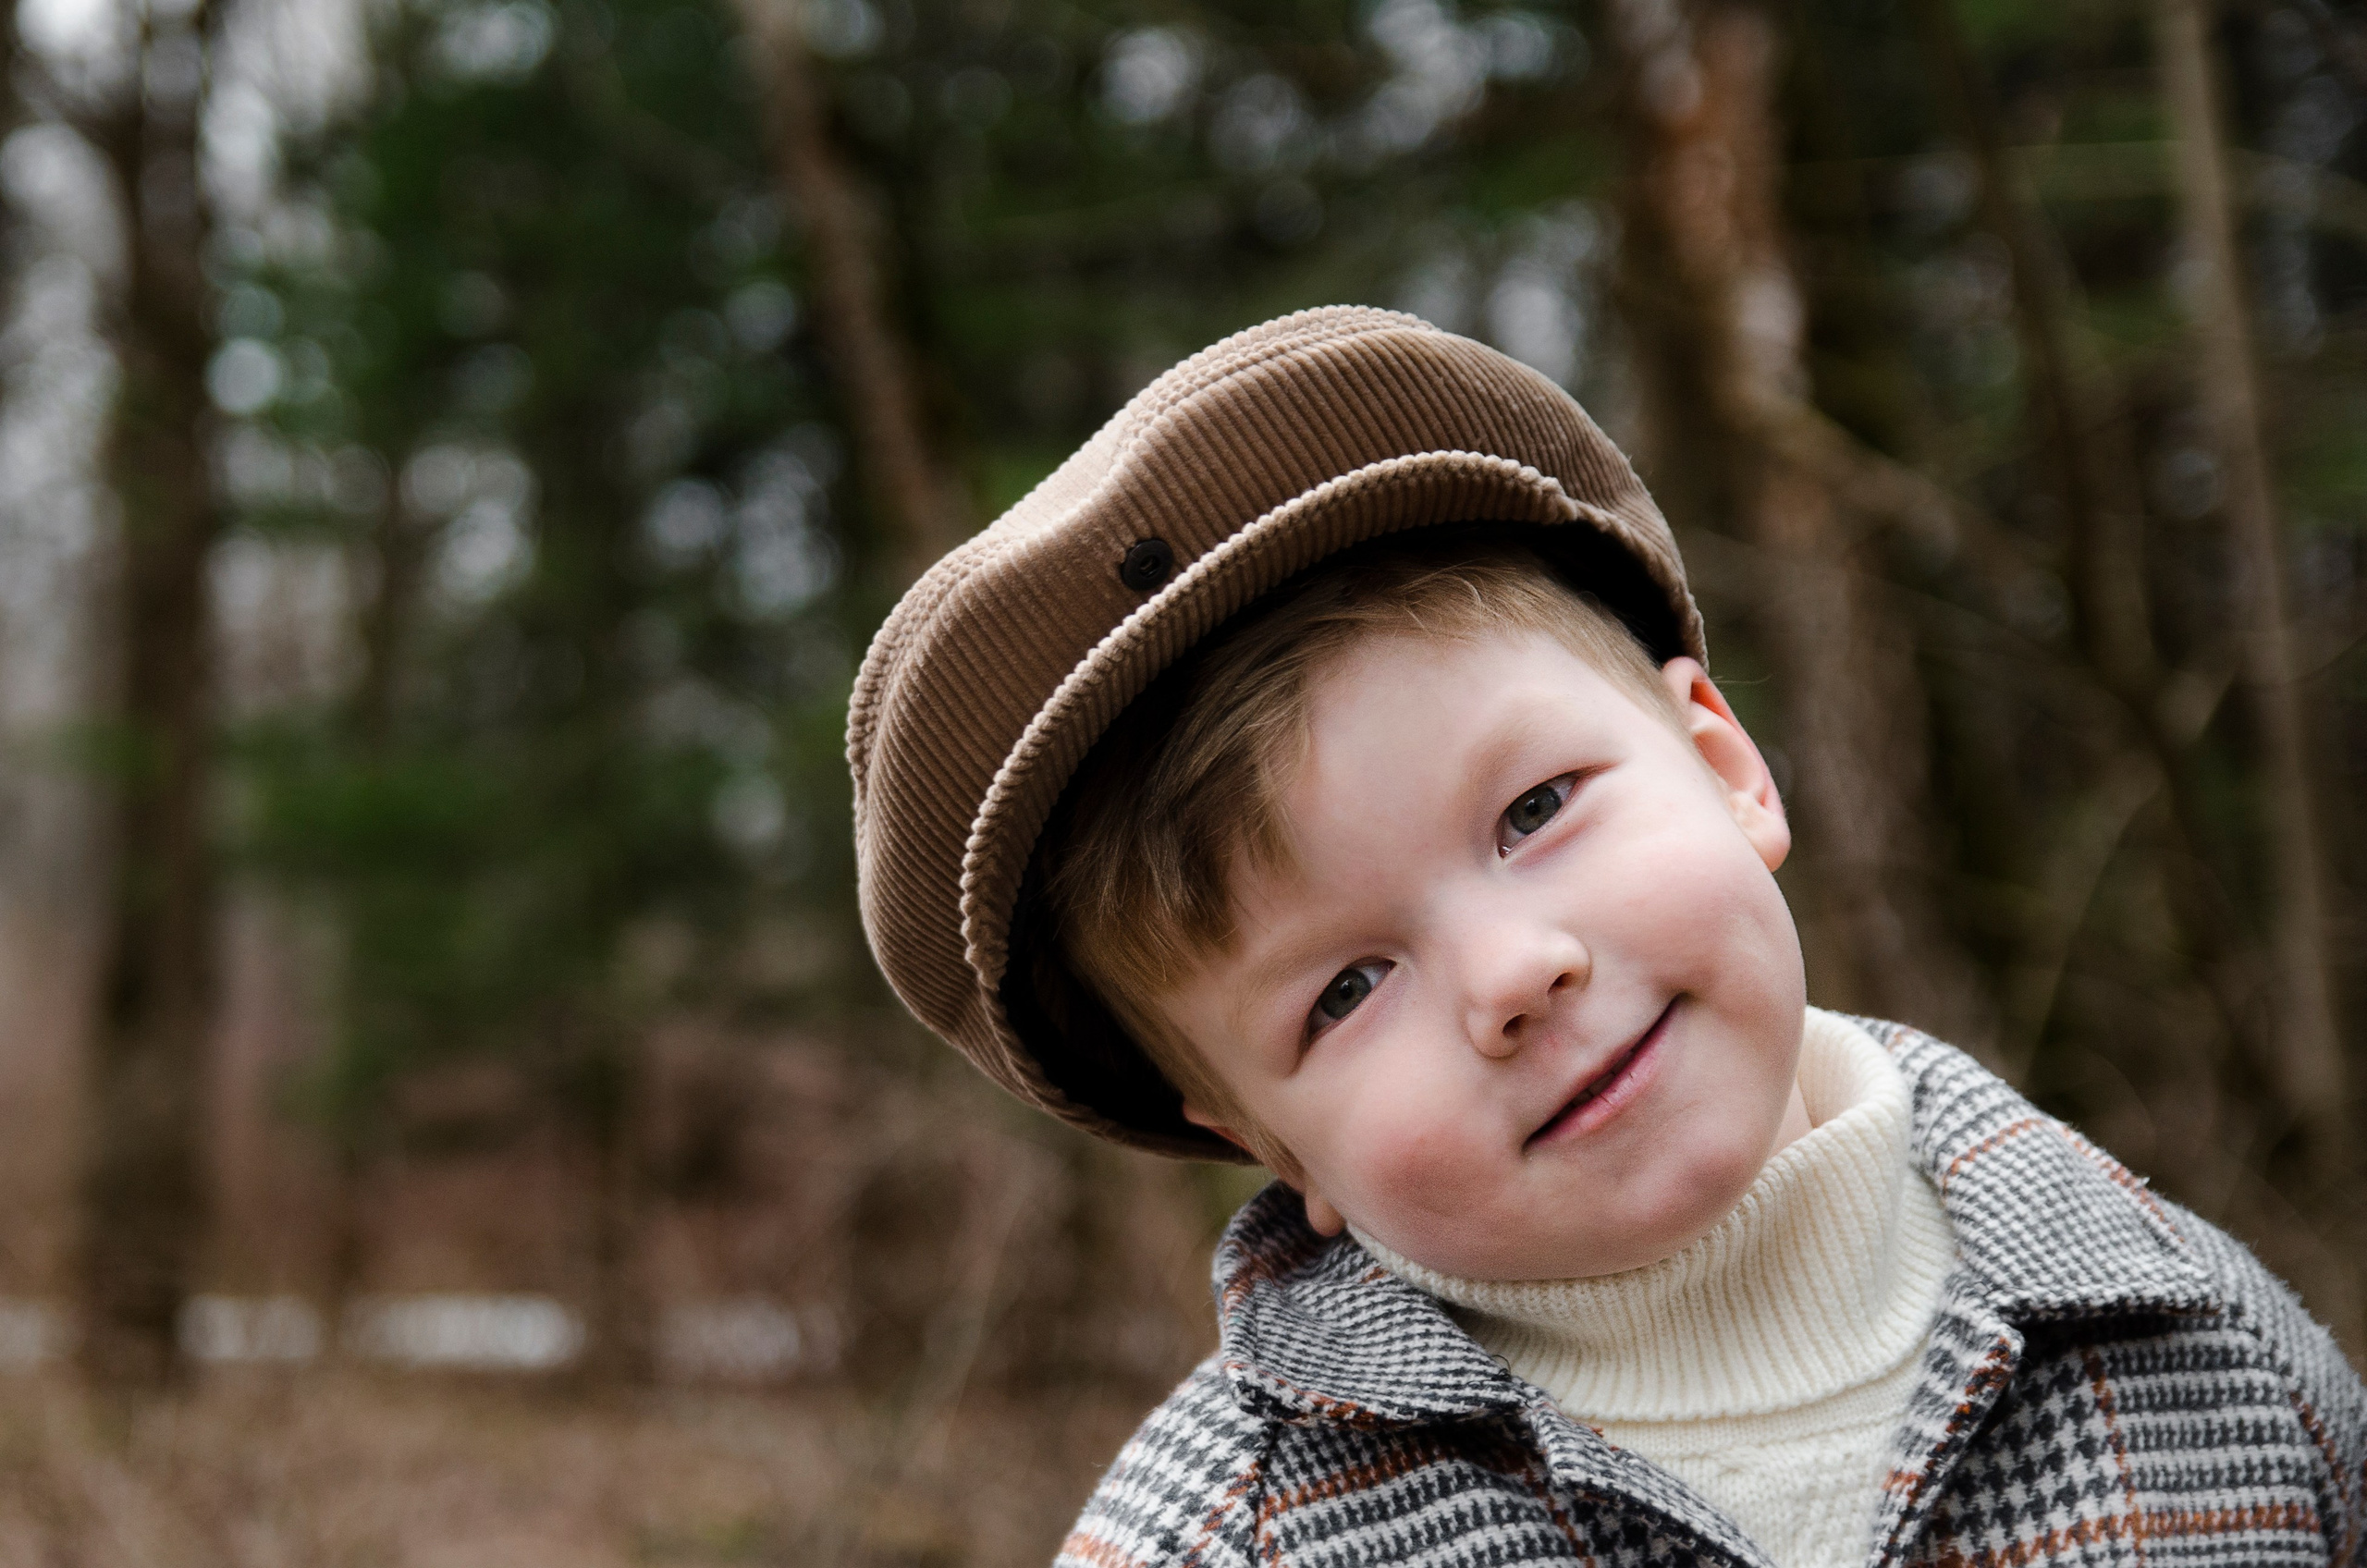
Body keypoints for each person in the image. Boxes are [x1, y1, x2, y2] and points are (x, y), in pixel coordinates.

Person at [847, 308, 2366, 1568]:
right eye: (1348, 989)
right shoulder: (1218, 1544)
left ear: (1724, 761)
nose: (1514, 977)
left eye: (1534, 811)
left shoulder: (2210, 1347)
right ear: (1262, 1138)